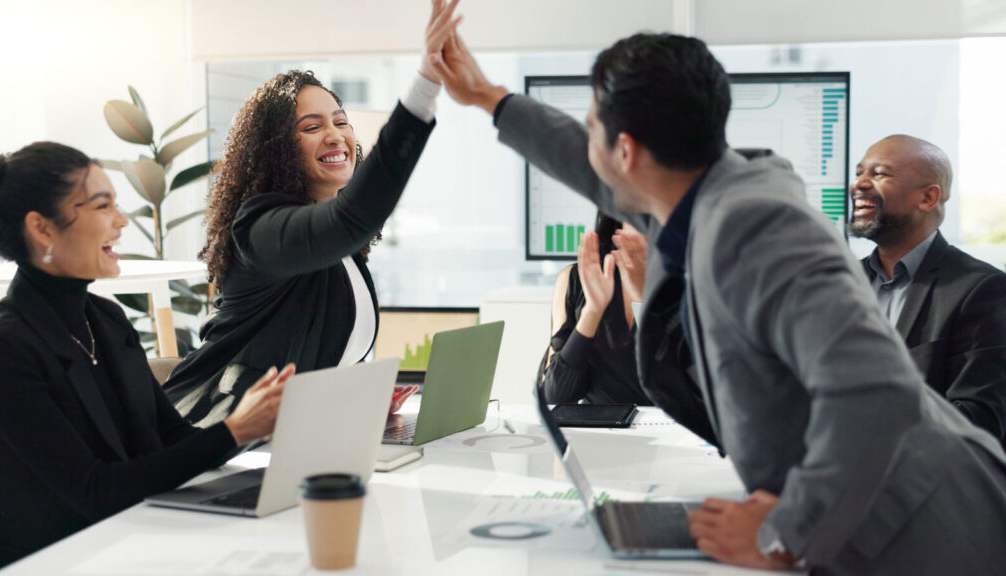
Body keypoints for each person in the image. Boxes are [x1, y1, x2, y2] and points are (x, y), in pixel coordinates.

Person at [430, 29, 1006, 574]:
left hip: (919, 528)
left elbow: (874, 395)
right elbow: (593, 171)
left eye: (593, 129)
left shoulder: (757, 228)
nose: (591, 150)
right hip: (875, 509)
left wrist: (782, 531)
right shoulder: (704, 193)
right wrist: (489, 97)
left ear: (627, 150)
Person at [0, 143, 295, 573]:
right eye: (102, 205)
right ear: (42, 229)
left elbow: (174, 439)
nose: (121, 220)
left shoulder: (106, 320)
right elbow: (94, 491)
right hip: (61, 561)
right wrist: (233, 431)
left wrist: (252, 423)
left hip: (138, 538)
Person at [163, 0, 461, 426]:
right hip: (213, 432)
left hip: (297, 432)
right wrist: (425, 88)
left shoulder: (339, 245)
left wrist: (359, 399)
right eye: (311, 127)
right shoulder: (259, 228)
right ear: (276, 150)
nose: (336, 136)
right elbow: (348, 219)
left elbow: (319, 360)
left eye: (341, 121)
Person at [850, 134, 1006, 443]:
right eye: (859, 173)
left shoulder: (982, 290)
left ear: (927, 198)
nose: (860, 184)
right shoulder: (841, 284)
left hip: (928, 484)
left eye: (879, 173)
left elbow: (978, 421)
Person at [539, 211, 652, 405]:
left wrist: (644, 302)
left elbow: (688, 391)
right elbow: (555, 395)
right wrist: (592, 311)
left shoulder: (689, 284)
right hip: (600, 430)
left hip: (671, 430)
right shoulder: (576, 279)